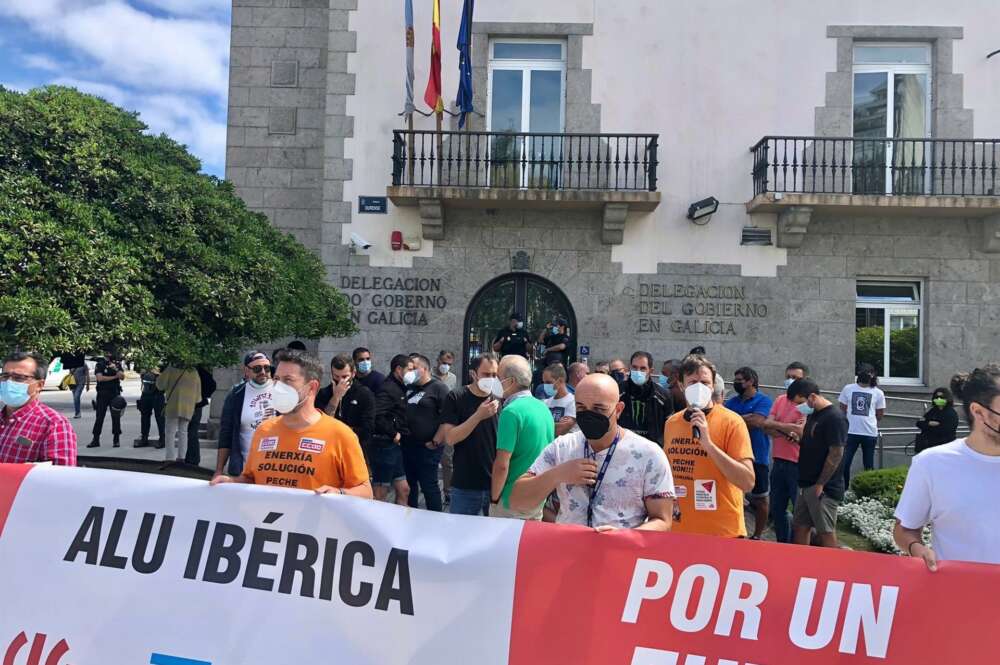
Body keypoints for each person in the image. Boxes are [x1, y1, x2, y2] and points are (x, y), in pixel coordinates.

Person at [509, 373, 675, 531]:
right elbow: (518, 501)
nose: (589, 415)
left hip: (620, 555)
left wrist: (625, 536)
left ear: (618, 409)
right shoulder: (561, 447)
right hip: (568, 553)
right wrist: (557, 475)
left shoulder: (649, 455)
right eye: (581, 408)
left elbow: (662, 520)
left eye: (599, 409)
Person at [211, 350, 372, 497]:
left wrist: (339, 493)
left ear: (312, 387)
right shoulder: (264, 430)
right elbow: (251, 479)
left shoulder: (341, 435)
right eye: (277, 379)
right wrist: (231, 483)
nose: (279, 387)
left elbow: (366, 491)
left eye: (288, 380)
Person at [894, 365, 1000, 569]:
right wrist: (917, 549)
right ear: (979, 412)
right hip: (957, 594)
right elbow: (904, 529)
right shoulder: (932, 464)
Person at [663, 355, 755, 538]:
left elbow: (747, 481)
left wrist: (708, 444)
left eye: (705, 382)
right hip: (679, 530)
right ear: (681, 386)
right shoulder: (672, 423)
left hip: (722, 532)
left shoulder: (732, 422)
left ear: (713, 386)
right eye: (692, 382)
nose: (699, 388)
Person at [490, 355, 554, 519]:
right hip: (537, 496)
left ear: (510, 381)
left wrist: (494, 497)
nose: (494, 381)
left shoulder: (511, 412)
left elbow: (502, 464)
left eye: (498, 377)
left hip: (510, 499)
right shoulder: (543, 408)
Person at [787, 378, 848, 548]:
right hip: (806, 482)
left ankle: (832, 568)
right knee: (800, 526)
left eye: (800, 402)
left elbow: (836, 452)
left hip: (823, 487)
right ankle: (801, 566)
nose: (799, 407)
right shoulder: (814, 415)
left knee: (825, 531)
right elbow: (814, 444)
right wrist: (798, 440)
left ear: (812, 397)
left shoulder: (835, 418)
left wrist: (821, 483)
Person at [441, 353, 500, 516]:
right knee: (460, 538)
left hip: (494, 485)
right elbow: (450, 437)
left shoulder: (499, 399)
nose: (492, 379)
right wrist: (478, 415)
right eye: (486, 374)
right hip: (465, 485)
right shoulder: (456, 397)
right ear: (473, 374)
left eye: (495, 375)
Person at [0, 351, 77, 466]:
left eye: (19, 378)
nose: (9, 382)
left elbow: (62, 478)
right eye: (5, 376)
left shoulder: (54, 424)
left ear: (39, 385)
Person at [724, 367, 773, 540]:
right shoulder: (731, 402)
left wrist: (734, 419)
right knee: (733, 497)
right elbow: (723, 419)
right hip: (733, 457)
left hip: (757, 457)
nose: (736, 383)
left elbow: (758, 421)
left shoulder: (764, 400)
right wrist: (746, 418)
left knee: (761, 499)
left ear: (751, 381)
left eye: (739, 380)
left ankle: (757, 535)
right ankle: (737, 531)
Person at [762, 361, 808, 543]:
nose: (790, 381)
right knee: (777, 509)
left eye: (795, 378)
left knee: (799, 511)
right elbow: (766, 426)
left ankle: (796, 548)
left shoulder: (806, 404)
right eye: (788, 377)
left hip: (797, 464)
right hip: (779, 461)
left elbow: (800, 432)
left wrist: (778, 427)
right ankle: (782, 544)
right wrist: (787, 428)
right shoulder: (780, 400)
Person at [401, 354, 450, 511]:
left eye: (414, 368)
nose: (410, 372)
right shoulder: (408, 387)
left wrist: (436, 441)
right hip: (408, 445)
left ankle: (435, 520)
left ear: (425, 369)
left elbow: (447, 418)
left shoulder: (439, 388)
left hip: (428, 447)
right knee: (410, 485)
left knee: (428, 484)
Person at [215, 351, 275, 478]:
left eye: (267, 368)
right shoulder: (236, 394)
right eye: (257, 368)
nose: (263, 372)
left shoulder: (282, 392)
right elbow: (226, 433)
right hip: (244, 469)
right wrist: (219, 470)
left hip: (275, 468)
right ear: (246, 371)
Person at [315, 353, 376, 469]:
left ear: (353, 373)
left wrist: (341, 431)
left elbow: (368, 428)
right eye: (336, 377)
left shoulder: (364, 394)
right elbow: (321, 422)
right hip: (328, 451)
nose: (340, 381)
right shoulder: (324, 394)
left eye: (344, 377)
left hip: (354, 451)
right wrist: (336, 397)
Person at [371, 354, 415, 505]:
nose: (413, 373)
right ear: (398, 369)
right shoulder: (388, 388)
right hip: (384, 446)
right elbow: (377, 415)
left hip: (394, 447)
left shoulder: (400, 387)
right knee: (380, 493)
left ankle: (400, 524)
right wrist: (393, 433)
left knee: (404, 489)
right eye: (410, 369)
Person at [838, 364, 886, 489]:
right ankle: (845, 489)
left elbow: (880, 414)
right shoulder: (848, 388)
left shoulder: (878, 393)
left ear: (873, 375)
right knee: (844, 463)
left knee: (868, 465)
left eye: (868, 373)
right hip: (850, 432)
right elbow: (842, 408)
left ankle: (867, 491)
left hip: (869, 433)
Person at [619, 351, 674, 446]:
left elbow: (670, 427)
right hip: (622, 447)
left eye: (643, 368)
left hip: (652, 450)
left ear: (651, 371)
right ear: (629, 368)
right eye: (634, 367)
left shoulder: (663, 395)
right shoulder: (618, 391)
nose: (638, 371)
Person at [156, 364, 200, 464]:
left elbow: (160, 385)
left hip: (173, 405)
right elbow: (198, 397)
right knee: (183, 432)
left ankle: (170, 458)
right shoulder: (194, 371)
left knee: (170, 432)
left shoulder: (171, 369)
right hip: (188, 407)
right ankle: (181, 458)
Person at [88, 351, 124, 448]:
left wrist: (116, 369)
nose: (109, 355)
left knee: (116, 417)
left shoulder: (116, 364)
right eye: (107, 353)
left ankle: (116, 439)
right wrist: (114, 377)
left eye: (110, 352)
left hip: (114, 394)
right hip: (102, 394)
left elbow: (122, 377)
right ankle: (96, 439)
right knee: (99, 417)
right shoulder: (100, 364)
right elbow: (100, 378)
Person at [184, 366, 217, 466]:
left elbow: (212, 385)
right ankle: (192, 458)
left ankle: (191, 458)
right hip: (197, 404)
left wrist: (202, 395)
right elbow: (212, 385)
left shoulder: (194, 370)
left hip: (190, 404)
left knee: (189, 431)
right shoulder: (199, 370)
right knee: (191, 431)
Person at [914, 387, 959, 453]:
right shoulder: (933, 411)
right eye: (936, 397)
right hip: (929, 446)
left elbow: (946, 430)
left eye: (941, 397)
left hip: (944, 446)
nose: (938, 399)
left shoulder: (951, 413)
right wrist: (929, 423)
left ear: (947, 398)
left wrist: (927, 426)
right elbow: (919, 423)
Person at [541, 363, 576, 436]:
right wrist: (557, 424)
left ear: (560, 380)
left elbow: (560, 430)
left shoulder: (573, 402)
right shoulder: (545, 402)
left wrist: (543, 424)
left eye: (548, 382)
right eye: (544, 382)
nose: (545, 386)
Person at [136, 366, 165, 448]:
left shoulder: (162, 359)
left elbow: (166, 375)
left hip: (158, 393)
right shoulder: (145, 359)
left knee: (160, 417)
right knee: (144, 416)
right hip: (146, 392)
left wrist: (158, 373)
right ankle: (144, 438)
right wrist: (142, 372)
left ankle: (162, 439)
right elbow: (138, 370)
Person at [62, 352, 90, 419]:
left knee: (76, 397)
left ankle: (78, 413)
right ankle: (77, 412)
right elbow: (70, 374)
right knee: (75, 398)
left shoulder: (84, 364)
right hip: (73, 383)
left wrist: (88, 385)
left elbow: (87, 375)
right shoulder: (72, 364)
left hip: (81, 383)